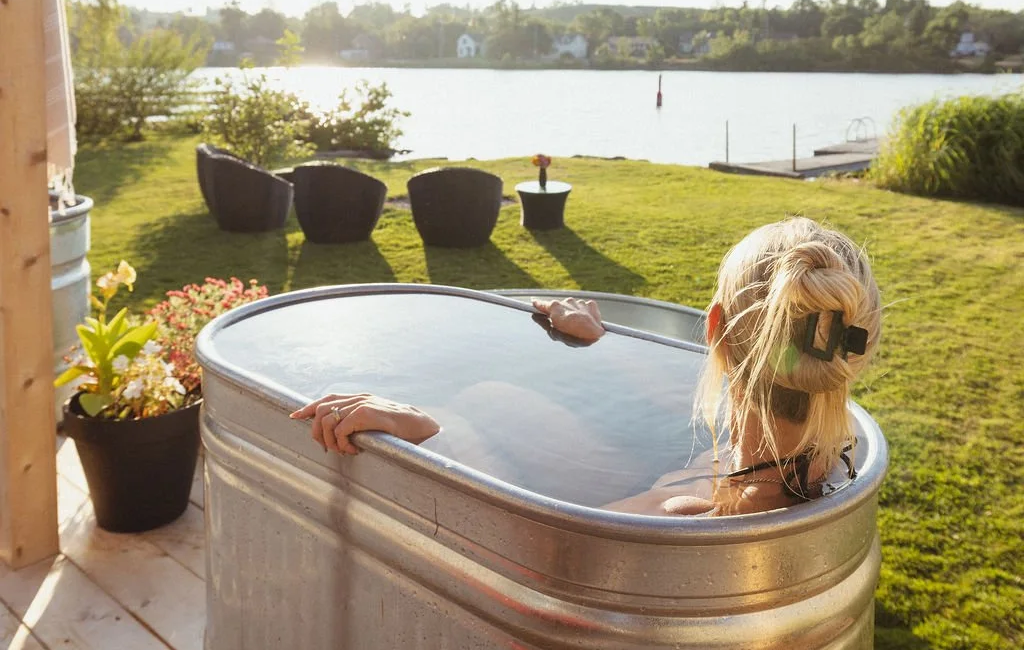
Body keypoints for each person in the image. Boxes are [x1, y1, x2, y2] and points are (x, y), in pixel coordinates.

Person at [290, 217, 882, 517]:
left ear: (713, 331)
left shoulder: (687, 518)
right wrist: (603, 343)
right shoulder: (828, 450)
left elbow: (541, 535)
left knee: (464, 415)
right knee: (495, 396)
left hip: (644, 494)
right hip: (688, 469)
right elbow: (676, 390)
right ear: (850, 354)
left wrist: (423, 432)